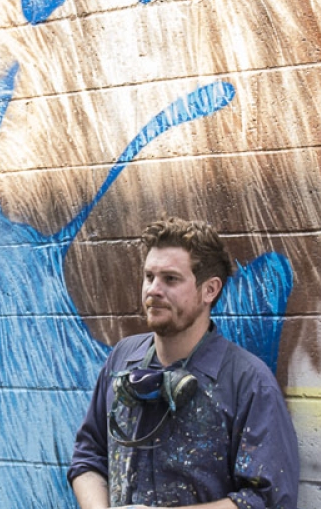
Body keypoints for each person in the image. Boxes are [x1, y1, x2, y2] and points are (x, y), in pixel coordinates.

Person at [70, 218, 298, 509]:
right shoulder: (122, 359)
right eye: (149, 276)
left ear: (210, 290)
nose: (153, 290)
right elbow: (89, 455)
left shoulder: (249, 383)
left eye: (170, 279)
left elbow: (267, 500)